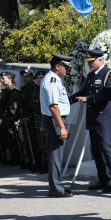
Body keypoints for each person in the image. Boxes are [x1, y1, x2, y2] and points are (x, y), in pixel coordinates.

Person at [70, 49, 111, 193]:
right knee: (96, 151)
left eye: (92, 62)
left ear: (100, 60)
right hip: (93, 118)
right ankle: (102, 180)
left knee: (106, 149)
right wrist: (68, 101)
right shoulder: (91, 75)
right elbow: (83, 92)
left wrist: (89, 99)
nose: (90, 64)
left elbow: (108, 94)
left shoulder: (109, 74)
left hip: (104, 118)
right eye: (88, 62)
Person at [40, 54, 73, 198]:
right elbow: (53, 107)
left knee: (56, 155)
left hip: (53, 119)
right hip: (55, 120)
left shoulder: (53, 79)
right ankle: (56, 189)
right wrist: (62, 127)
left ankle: (56, 186)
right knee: (55, 156)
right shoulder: (52, 81)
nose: (67, 70)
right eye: (65, 67)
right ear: (57, 66)